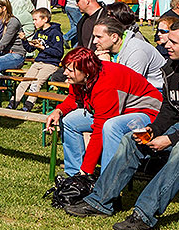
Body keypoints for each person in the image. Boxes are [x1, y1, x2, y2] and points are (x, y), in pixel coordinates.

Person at [69, 22, 179, 230]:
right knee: (131, 139)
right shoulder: (172, 68)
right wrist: (153, 130)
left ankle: (144, 213)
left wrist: (170, 139)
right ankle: (100, 200)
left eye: (173, 41)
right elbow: (169, 110)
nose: (166, 44)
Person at [45, 47, 161, 179]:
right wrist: (58, 111)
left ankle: (107, 182)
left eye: (70, 70)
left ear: (86, 72)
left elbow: (100, 127)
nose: (65, 73)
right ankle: (74, 177)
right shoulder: (80, 78)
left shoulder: (106, 83)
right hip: (119, 110)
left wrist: (87, 169)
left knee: (111, 126)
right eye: (65, 68)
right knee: (69, 121)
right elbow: (74, 98)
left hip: (147, 112)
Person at [12, 8, 66, 105]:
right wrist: (24, 40)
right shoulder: (39, 33)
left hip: (50, 64)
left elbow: (59, 52)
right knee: (25, 81)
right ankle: (13, 102)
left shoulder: (55, 33)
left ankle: (29, 104)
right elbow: (30, 49)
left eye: (35, 19)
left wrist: (43, 48)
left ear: (45, 19)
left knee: (36, 83)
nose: (33, 22)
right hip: (38, 62)